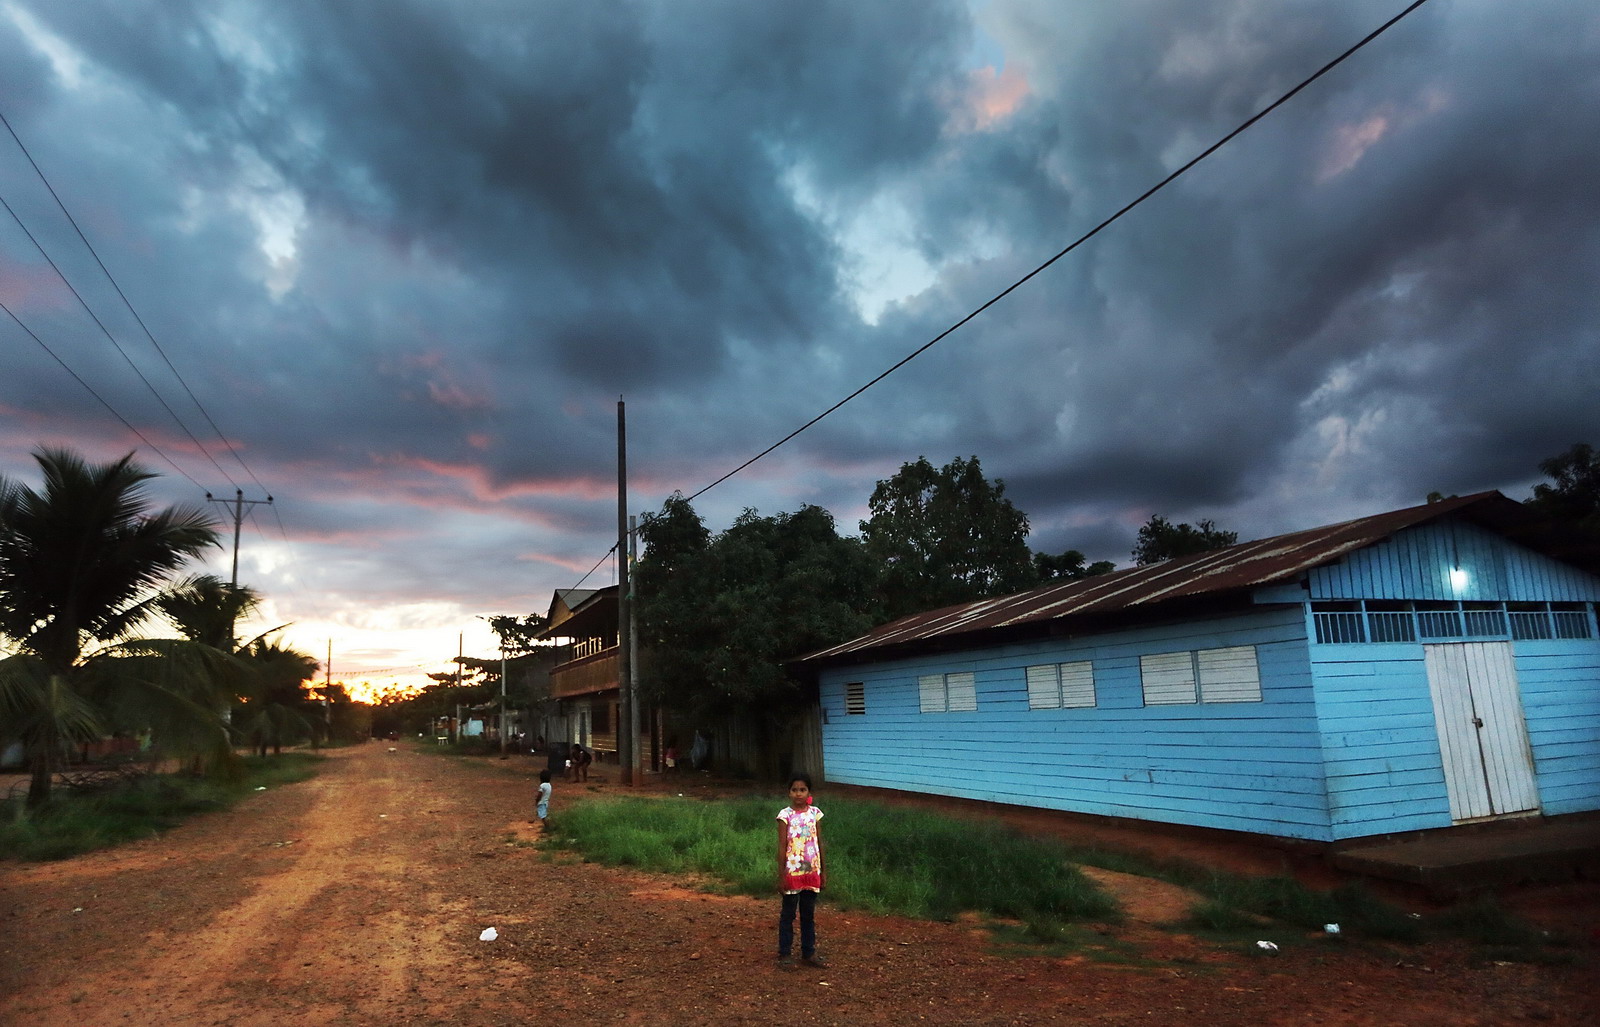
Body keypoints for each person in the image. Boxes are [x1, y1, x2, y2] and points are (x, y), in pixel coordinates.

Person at [775, 772, 828, 969]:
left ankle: (809, 952)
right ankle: (784, 954)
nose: (798, 794)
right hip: (792, 872)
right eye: (794, 790)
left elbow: (819, 843)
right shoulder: (784, 816)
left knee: (808, 913)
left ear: (809, 792)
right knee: (788, 913)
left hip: (811, 872)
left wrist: (823, 872)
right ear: (789, 793)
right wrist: (781, 875)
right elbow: (782, 846)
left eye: (802, 790)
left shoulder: (815, 813)